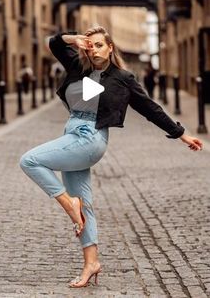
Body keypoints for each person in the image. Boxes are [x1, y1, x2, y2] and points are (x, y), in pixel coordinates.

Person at [19, 26, 203, 288]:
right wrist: (74, 40)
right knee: (87, 204)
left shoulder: (122, 78)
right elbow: (54, 43)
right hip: (71, 133)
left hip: (89, 138)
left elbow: (150, 108)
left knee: (30, 160)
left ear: (110, 47)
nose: (94, 49)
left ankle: (70, 205)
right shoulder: (77, 66)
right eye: (90, 45)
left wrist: (181, 134)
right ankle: (91, 263)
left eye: (99, 45)